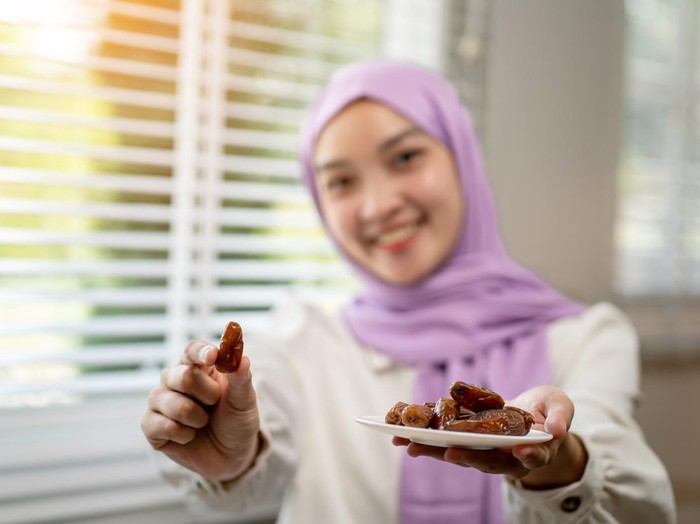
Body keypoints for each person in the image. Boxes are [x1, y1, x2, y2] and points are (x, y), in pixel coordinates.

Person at [141, 61, 676, 523]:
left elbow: (639, 512)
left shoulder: (588, 337)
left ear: (462, 159)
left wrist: (555, 460)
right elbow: (248, 467)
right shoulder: (302, 338)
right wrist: (228, 450)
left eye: (404, 158)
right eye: (341, 181)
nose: (378, 207)